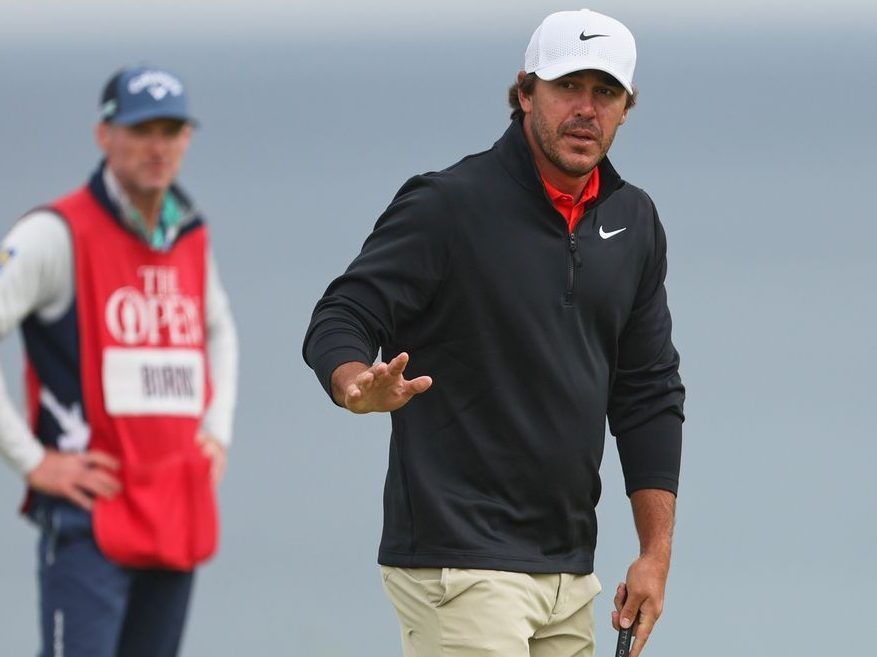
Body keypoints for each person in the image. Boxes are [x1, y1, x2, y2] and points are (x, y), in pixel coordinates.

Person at [304, 8, 685, 657]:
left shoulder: (634, 220)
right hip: (458, 563)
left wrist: (654, 553)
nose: (586, 108)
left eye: (605, 92)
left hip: (567, 572)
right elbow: (342, 312)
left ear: (627, 107)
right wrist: (354, 383)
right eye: (568, 86)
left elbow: (647, 391)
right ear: (525, 92)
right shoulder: (448, 203)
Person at [0, 64, 238, 657]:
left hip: (173, 510)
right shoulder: (53, 234)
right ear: (104, 135)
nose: (158, 147)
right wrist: (32, 461)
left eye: (171, 131)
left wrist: (216, 430)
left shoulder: (189, 232)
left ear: (188, 138)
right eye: (141, 130)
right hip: (89, 518)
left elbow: (219, 328)